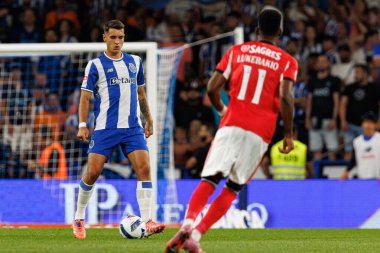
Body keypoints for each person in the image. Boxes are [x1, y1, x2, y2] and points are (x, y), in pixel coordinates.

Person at [166, 7, 297, 253]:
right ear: (279, 31)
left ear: (257, 30)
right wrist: (288, 134)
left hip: (232, 123)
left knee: (210, 178)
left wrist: (222, 109)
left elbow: (212, 86)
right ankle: (196, 235)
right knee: (233, 187)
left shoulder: (237, 51)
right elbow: (287, 97)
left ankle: (188, 222)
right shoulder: (287, 62)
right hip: (260, 133)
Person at [72, 20, 165, 239]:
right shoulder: (95, 65)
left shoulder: (135, 62)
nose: (117, 42)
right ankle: (78, 217)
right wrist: (82, 125)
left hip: (132, 127)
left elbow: (141, 94)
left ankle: (148, 220)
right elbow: (85, 97)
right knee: (93, 173)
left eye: (121, 37)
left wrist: (148, 119)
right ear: (104, 37)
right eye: (113, 37)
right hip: (105, 128)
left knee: (144, 168)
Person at [339, 64, 380, 160]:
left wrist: (379, 122)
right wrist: (343, 120)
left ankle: (365, 172)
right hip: (350, 124)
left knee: (366, 150)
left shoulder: (374, 88)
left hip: (367, 125)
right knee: (348, 150)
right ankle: (348, 173)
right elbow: (343, 104)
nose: (355, 75)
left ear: (365, 73)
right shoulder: (349, 87)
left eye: (358, 72)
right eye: (355, 72)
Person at [305, 54, 341, 160]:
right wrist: (307, 118)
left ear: (328, 63)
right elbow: (309, 100)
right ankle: (317, 175)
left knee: (332, 149)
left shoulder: (334, 80)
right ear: (316, 64)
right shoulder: (312, 80)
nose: (321, 63)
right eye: (319, 61)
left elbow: (336, 101)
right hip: (315, 119)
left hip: (329, 119)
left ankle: (333, 175)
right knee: (316, 149)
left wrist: (334, 119)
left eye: (324, 61)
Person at [340, 112, 380, 179]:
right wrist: (346, 171)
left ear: (375, 125)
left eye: (371, 123)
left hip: (377, 179)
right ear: (362, 124)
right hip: (362, 178)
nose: (368, 125)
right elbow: (354, 159)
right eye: (366, 122)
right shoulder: (357, 141)